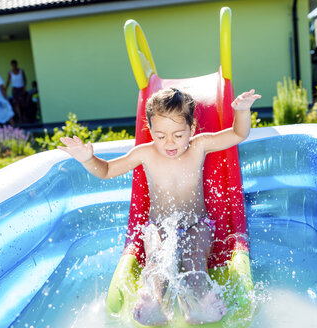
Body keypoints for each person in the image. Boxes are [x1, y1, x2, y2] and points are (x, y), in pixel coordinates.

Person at [58, 88, 261, 326]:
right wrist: (86, 159)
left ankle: (198, 303)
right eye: (161, 135)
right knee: (155, 258)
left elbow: (238, 134)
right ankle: (155, 302)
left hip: (198, 223)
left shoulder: (199, 146)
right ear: (150, 130)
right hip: (159, 224)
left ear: (192, 129)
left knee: (194, 255)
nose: (169, 143)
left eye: (178, 135)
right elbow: (106, 171)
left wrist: (242, 110)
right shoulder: (145, 153)